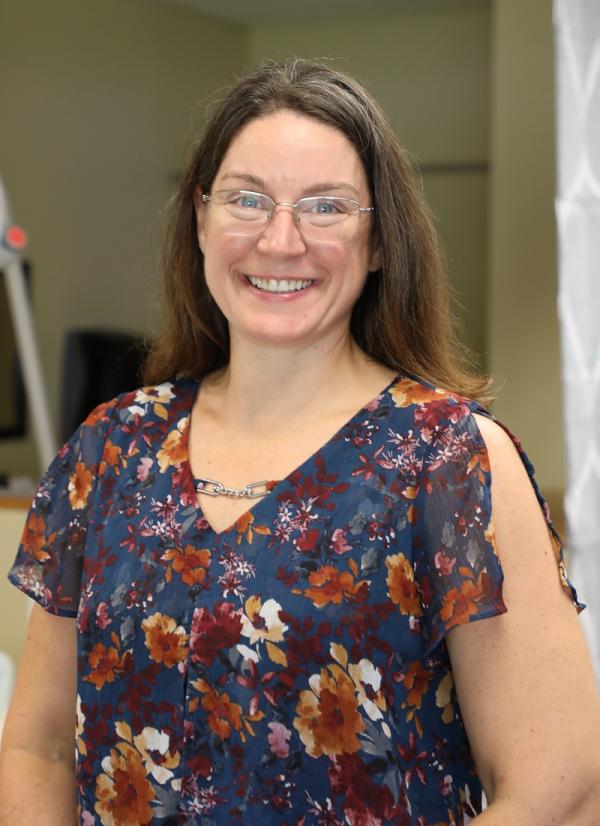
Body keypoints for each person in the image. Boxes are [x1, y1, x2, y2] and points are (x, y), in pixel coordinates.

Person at [0, 58, 599, 826]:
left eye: (326, 208)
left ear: (381, 242)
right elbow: (39, 748)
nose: (281, 241)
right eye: (247, 199)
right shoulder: (109, 450)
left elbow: (561, 788)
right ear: (201, 220)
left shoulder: (448, 459)